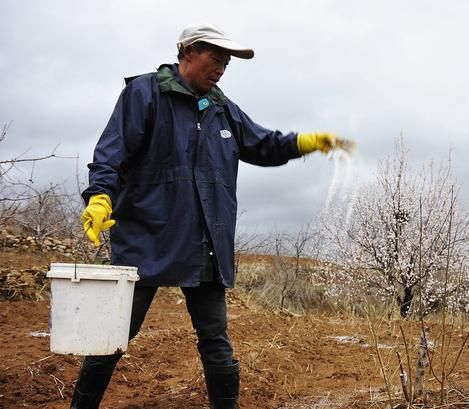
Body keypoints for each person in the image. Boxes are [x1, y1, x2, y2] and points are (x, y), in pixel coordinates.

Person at [73, 24, 351, 409]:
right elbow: (112, 153)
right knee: (113, 335)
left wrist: (303, 143)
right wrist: (100, 197)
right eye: (215, 58)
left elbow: (263, 145)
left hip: (205, 242)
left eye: (226, 62)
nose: (222, 68)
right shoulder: (145, 93)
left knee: (216, 341)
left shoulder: (222, 110)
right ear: (187, 51)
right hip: (147, 238)